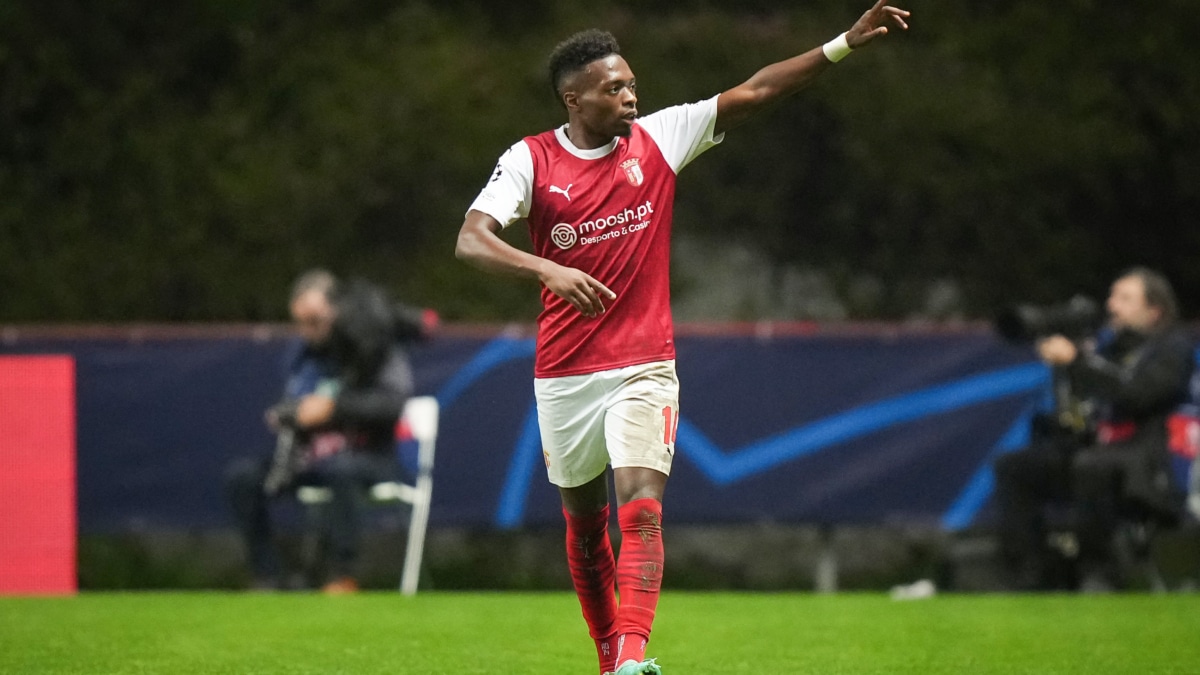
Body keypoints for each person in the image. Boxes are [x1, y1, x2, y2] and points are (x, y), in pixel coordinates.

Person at [454, 4, 910, 673]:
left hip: (644, 364)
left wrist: (843, 42)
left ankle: (634, 657)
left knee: (640, 508)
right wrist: (547, 266)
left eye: (632, 83)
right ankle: (610, 657)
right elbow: (471, 238)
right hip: (565, 372)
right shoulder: (532, 158)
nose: (631, 95)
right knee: (585, 532)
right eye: (614, 88)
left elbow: (756, 90)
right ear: (573, 98)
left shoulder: (661, 138)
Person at [225, 269, 428, 594]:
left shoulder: (373, 346)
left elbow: (392, 405)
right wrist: (288, 414)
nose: (308, 331)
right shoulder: (302, 355)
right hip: (310, 458)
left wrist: (335, 408)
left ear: (337, 311)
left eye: (315, 320)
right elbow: (296, 399)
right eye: (301, 322)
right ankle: (268, 576)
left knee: (342, 471)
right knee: (243, 477)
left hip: (369, 456)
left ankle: (341, 575)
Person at [994, 267, 1194, 591]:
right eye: (1113, 296)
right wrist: (1067, 381)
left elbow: (1138, 396)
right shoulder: (1106, 349)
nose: (1112, 305)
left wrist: (1077, 362)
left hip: (1147, 459)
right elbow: (1086, 413)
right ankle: (1034, 574)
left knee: (1091, 466)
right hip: (1097, 450)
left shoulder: (1173, 348)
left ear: (1154, 310)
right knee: (1016, 467)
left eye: (1125, 298)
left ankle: (1098, 572)